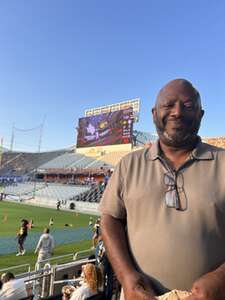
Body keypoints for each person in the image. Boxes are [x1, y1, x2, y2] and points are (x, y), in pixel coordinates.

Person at [100, 79, 225, 300]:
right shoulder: (129, 164)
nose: (177, 112)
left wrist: (222, 278)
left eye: (188, 106)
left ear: (201, 114)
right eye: (168, 105)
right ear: (154, 113)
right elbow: (110, 218)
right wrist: (127, 277)